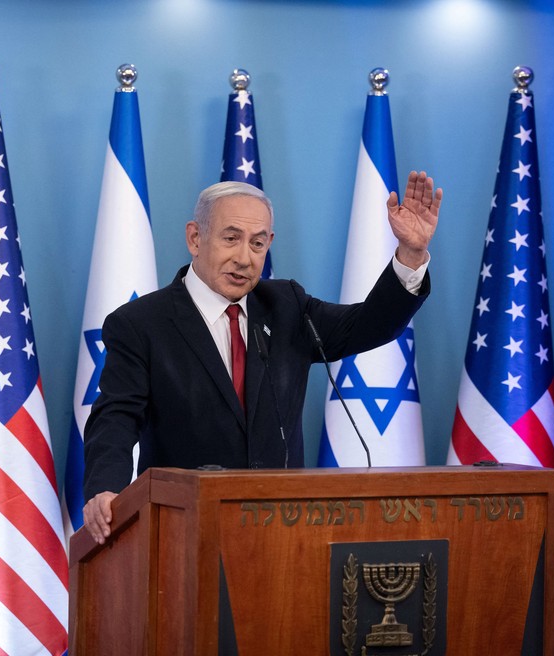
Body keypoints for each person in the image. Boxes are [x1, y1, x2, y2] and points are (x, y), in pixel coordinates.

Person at [82, 171, 442, 544]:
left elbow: (371, 325)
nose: (244, 258)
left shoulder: (287, 307)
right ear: (195, 238)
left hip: (282, 532)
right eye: (231, 238)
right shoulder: (142, 324)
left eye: (257, 244)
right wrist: (107, 490)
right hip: (185, 530)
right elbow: (116, 417)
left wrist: (411, 253)